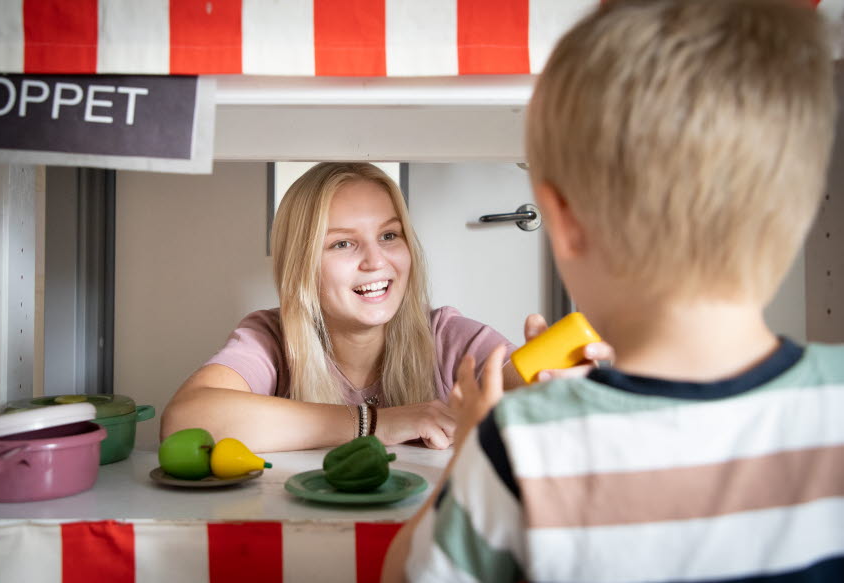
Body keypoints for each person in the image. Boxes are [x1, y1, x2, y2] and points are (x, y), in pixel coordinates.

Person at [383, 0, 844, 581]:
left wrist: (471, 455)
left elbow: (404, 576)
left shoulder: (519, 447)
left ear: (564, 223)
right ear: (797, 209)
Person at [160, 162, 606, 452]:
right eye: (343, 243)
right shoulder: (269, 339)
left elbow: (514, 388)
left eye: (389, 236)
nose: (376, 261)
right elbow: (184, 423)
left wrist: (568, 385)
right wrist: (374, 423)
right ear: (301, 264)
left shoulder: (448, 336)